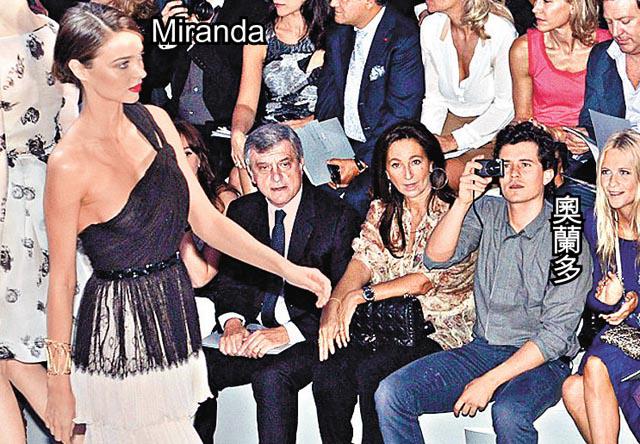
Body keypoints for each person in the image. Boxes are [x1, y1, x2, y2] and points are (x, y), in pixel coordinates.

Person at [45, 4, 331, 443]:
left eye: (140, 57)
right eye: (122, 64)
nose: (141, 72)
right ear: (81, 69)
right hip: (120, 329)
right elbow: (62, 281)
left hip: (172, 313)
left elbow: (209, 223)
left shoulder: (157, 122)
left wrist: (288, 270)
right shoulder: (68, 164)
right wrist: (58, 382)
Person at [375, 121, 593, 444]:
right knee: (391, 394)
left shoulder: (566, 229)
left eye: (526, 165)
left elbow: (555, 336)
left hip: (541, 360)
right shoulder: (488, 210)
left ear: (547, 174)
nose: (514, 174)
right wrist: (463, 201)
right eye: (506, 165)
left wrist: (489, 381)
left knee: (509, 412)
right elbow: (435, 257)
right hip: (483, 348)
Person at [193, 123, 360, 444]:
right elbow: (229, 282)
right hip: (251, 333)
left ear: (301, 163)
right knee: (194, 366)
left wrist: (286, 333)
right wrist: (232, 324)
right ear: (251, 175)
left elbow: (342, 295)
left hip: (309, 336)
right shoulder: (242, 211)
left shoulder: (336, 215)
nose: (277, 177)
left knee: (271, 378)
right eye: (264, 168)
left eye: (285, 164)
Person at [312, 121, 476, 444]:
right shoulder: (382, 210)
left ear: (432, 164)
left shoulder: (456, 213)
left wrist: (361, 296)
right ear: (386, 172)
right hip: (387, 325)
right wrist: (336, 303)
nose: (408, 175)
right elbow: (362, 261)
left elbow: (425, 281)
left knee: (372, 376)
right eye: (397, 165)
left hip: (440, 329)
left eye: (416, 162)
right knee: (328, 374)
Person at [0, 2, 83, 441]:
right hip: (47, 204)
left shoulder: (51, 33)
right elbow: (71, 126)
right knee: (18, 359)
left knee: (15, 360)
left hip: (14, 213)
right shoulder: (54, 31)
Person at [562, 129, 640, 443]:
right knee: (572, 388)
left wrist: (634, 301)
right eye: (606, 172)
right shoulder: (597, 224)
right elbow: (596, 301)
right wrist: (610, 302)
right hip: (620, 338)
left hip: (622, 345)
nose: (612, 182)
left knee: (594, 366)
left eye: (624, 172)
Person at [316, 0, 425, 218]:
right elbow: (327, 101)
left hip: (384, 148)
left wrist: (359, 163)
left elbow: (401, 114)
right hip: (344, 141)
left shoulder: (403, 37)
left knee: (356, 199)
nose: (333, 3)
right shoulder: (338, 33)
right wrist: (330, 151)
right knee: (311, 187)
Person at [154, 0, 270, 178]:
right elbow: (155, 78)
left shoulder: (254, 8)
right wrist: (167, 39)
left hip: (224, 132)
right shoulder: (183, 6)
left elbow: (235, 79)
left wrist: (196, 39)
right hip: (179, 124)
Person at [229, 0, 330, 194]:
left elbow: (346, 101)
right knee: (250, 165)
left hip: (321, 130)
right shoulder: (260, 35)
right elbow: (246, 104)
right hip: (275, 131)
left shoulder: (334, 31)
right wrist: (238, 131)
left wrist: (311, 121)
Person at [510, 0, 610, 185]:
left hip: (596, 143)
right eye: (536, 1)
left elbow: (620, 111)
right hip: (544, 140)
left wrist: (592, 136)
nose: (535, 8)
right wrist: (556, 135)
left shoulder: (608, 45)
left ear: (574, 5)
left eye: (547, 1)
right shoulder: (524, 48)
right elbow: (522, 118)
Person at [420, 0, 517, 191]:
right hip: (449, 123)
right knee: (415, 171)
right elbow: (433, 99)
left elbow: (505, 107)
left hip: (494, 131)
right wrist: (426, 141)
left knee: (442, 177)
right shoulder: (430, 27)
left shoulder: (500, 31)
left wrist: (454, 140)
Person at [175, 119, 238, 288]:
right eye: (172, 155)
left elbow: (200, 278)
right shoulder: (151, 198)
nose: (180, 163)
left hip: (210, 294)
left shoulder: (222, 200)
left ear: (200, 159)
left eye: (187, 154)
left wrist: (177, 215)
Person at [579, 0, 640, 136]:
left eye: (625, 21)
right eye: (609, 22)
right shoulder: (602, 56)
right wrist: (585, 136)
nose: (615, 32)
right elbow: (590, 118)